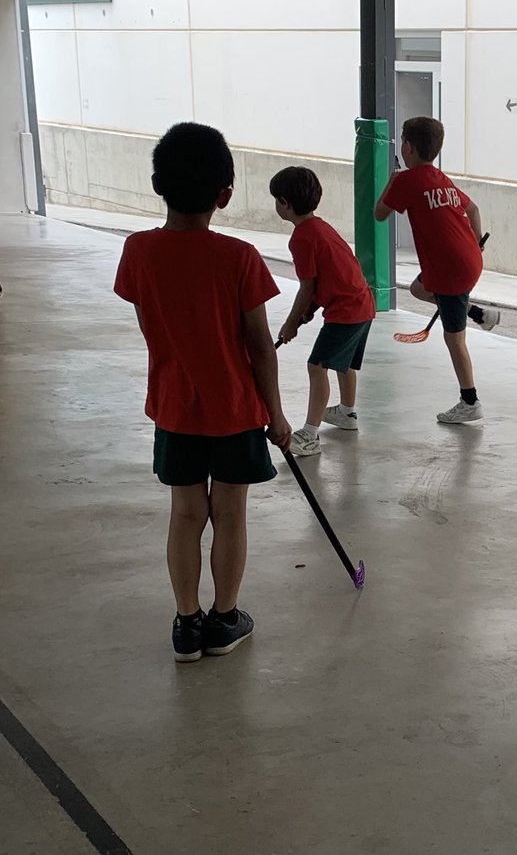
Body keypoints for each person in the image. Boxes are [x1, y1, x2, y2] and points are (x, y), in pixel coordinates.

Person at [114, 122, 291, 662]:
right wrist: (277, 416)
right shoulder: (239, 258)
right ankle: (224, 619)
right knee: (230, 512)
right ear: (225, 195)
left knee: (186, 512)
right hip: (236, 411)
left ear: (157, 185)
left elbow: (152, 326)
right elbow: (260, 346)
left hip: (174, 407)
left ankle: (186, 625)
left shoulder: (138, 252)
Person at [373, 116, 498, 424]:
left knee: (454, 339)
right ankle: (477, 313)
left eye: (402, 140)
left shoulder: (407, 181)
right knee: (418, 289)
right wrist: (476, 242)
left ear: (408, 147)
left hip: (451, 270)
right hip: (469, 258)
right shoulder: (439, 178)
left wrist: (392, 177)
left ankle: (470, 401)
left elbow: (379, 214)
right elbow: (472, 209)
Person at [271, 166, 376, 456]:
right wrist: (311, 309)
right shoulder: (321, 227)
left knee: (317, 366)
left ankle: (310, 435)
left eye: (276, 200)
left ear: (285, 203)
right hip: (362, 305)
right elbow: (324, 280)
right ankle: (347, 413)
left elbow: (306, 287)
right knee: (344, 364)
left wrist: (291, 322)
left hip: (346, 311)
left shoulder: (302, 238)